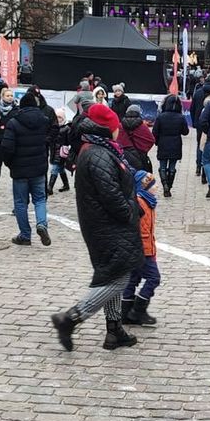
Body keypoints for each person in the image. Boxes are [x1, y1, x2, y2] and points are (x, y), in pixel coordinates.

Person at [50, 103, 143, 351]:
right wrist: (131, 210)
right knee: (118, 280)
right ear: (107, 129)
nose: (118, 132)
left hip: (105, 225)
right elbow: (111, 195)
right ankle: (70, 318)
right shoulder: (98, 154)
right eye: (116, 128)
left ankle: (114, 331)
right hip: (107, 226)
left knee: (112, 274)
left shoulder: (100, 148)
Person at [0, 92, 52, 246]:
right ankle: (42, 224)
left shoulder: (13, 122)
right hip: (38, 168)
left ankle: (25, 235)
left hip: (20, 169)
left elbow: (7, 148)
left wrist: (9, 164)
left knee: (21, 203)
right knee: (40, 199)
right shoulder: (44, 121)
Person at [121, 170, 161, 327]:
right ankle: (138, 310)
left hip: (145, 246)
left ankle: (125, 313)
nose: (156, 187)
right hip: (141, 248)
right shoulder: (138, 203)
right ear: (143, 187)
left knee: (133, 279)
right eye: (152, 184)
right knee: (154, 278)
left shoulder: (148, 201)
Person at [151, 94, 189, 198]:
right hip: (176, 143)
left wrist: (156, 141)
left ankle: (165, 185)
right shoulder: (180, 117)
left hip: (163, 142)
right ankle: (170, 185)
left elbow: (155, 132)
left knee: (162, 167)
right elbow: (185, 132)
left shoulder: (161, 117)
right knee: (172, 167)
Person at [117, 104, 155, 174]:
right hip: (139, 157)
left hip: (123, 156)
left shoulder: (120, 125)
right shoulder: (142, 126)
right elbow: (151, 140)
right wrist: (142, 150)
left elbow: (115, 140)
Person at [47, 109, 73, 195]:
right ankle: (66, 185)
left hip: (61, 153)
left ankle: (50, 187)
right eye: (57, 117)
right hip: (54, 151)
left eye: (60, 117)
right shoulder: (53, 127)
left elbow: (69, 141)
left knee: (54, 169)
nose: (58, 119)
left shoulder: (66, 128)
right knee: (60, 169)